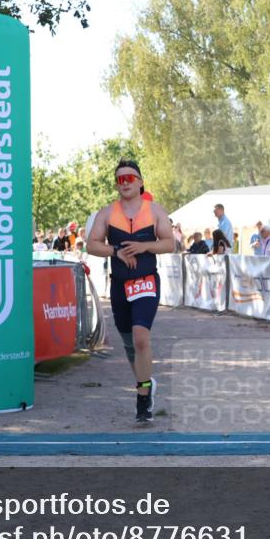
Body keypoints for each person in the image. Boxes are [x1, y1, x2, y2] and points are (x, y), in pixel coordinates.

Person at [86, 158, 175, 423]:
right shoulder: (107, 213)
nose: (124, 183)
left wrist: (145, 246)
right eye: (120, 179)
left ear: (140, 182)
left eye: (129, 178)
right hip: (119, 285)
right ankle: (145, 382)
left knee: (140, 338)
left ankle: (143, 399)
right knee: (129, 344)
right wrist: (116, 251)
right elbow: (92, 245)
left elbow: (169, 243)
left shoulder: (155, 210)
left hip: (146, 281)